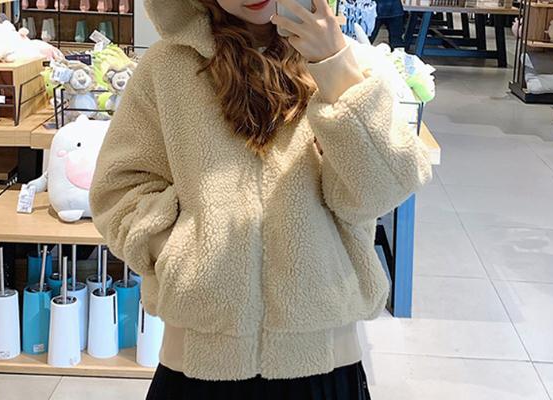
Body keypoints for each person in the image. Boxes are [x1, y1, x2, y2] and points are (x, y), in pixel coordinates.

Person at [89, 0, 432, 398]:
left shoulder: (352, 63)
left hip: (322, 358)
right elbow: (120, 188)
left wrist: (333, 68)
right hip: (200, 360)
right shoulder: (167, 67)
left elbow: (384, 189)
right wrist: (181, 256)